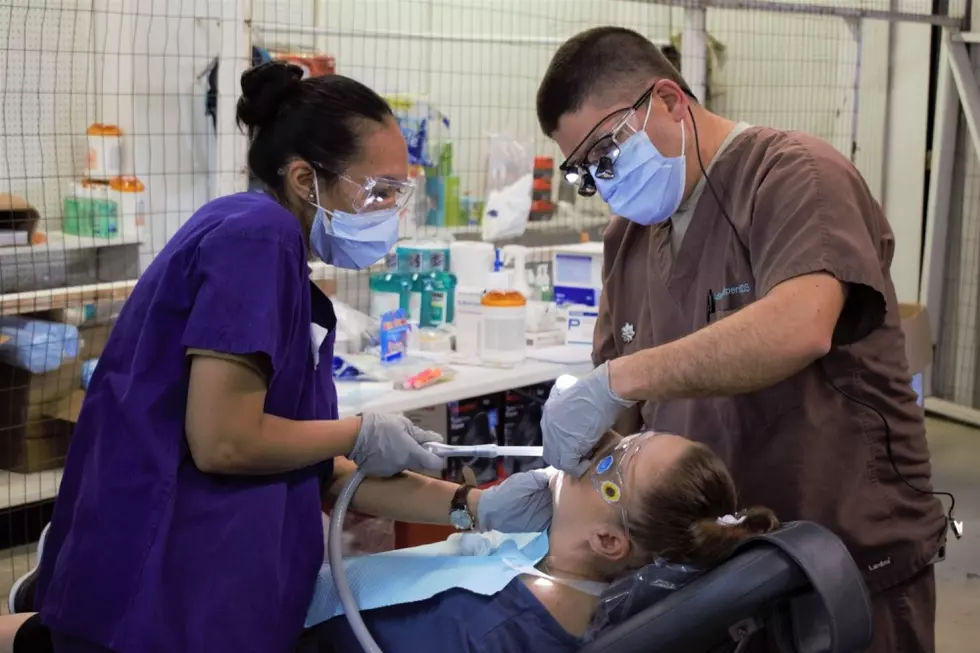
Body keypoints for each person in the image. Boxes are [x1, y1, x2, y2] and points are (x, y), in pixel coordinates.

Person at [29, 61, 551, 653]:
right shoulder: (255, 236)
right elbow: (225, 441)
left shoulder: (278, 264)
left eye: (397, 194)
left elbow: (312, 468)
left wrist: (476, 505)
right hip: (160, 601)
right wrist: (354, 432)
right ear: (306, 179)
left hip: (210, 595)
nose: (389, 215)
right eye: (378, 192)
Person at [534, 26, 948, 653]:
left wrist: (621, 379)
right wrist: (557, 487)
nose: (605, 178)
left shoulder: (793, 176)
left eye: (609, 151)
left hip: (840, 554)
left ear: (669, 101)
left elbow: (798, 326)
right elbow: (624, 411)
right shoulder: (630, 239)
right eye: (585, 171)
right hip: (717, 573)